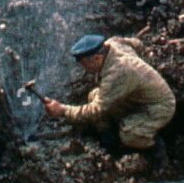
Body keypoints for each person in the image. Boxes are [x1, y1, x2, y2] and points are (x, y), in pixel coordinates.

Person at [44, 34, 175, 163]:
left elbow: (96, 109)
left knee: (130, 134)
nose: (85, 69)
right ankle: (109, 142)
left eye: (85, 65)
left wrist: (63, 110)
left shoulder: (116, 74)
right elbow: (137, 44)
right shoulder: (113, 43)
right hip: (137, 98)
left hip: (159, 106)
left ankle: (155, 150)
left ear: (97, 58)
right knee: (94, 95)